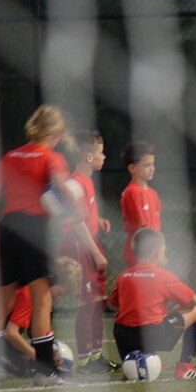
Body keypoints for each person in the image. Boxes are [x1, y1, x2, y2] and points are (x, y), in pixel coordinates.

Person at [0, 105, 92, 386]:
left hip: (8, 227)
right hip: (33, 230)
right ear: (58, 132)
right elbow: (61, 189)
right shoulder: (51, 158)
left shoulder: (9, 157)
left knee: (4, 301)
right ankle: (45, 371)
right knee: (43, 300)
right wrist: (79, 211)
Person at [111, 228, 196, 379]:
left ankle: (129, 367)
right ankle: (184, 368)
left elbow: (114, 304)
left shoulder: (124, 276)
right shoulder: (163, 276)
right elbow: (194, 300)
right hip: (152, 335)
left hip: (124, 337)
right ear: (157, 253)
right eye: (164, 249)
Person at [59, 130, 119, 374]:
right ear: (88, 156)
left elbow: (85, 216)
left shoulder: (86, 181)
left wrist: (99, 219)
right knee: (86, 303)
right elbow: (75, 222)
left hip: (89, 242)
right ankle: (84, 361)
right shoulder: (73, 184)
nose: (104, 157)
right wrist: (94, 251)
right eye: (100, 152)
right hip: (80, 246)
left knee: (98, 302)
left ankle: (96, 356)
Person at [0, 256, 81, 377]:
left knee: (32, 362)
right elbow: (11, 333)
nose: (59, 298)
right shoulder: (32, 293)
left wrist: (49, 352)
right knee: (29, 370)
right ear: (53, 281)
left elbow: (35, 334)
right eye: (60, 293)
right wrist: (43, 360)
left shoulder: (36, 289)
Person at [120, 141, 161, 267]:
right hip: (140, 254)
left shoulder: (153, 194)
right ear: (132, 168)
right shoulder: (132, 193)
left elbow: (156, 227)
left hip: (153, 252)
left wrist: (159, 250)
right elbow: (141, 229)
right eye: (147, 165)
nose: (152, 168)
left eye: (152, 164)